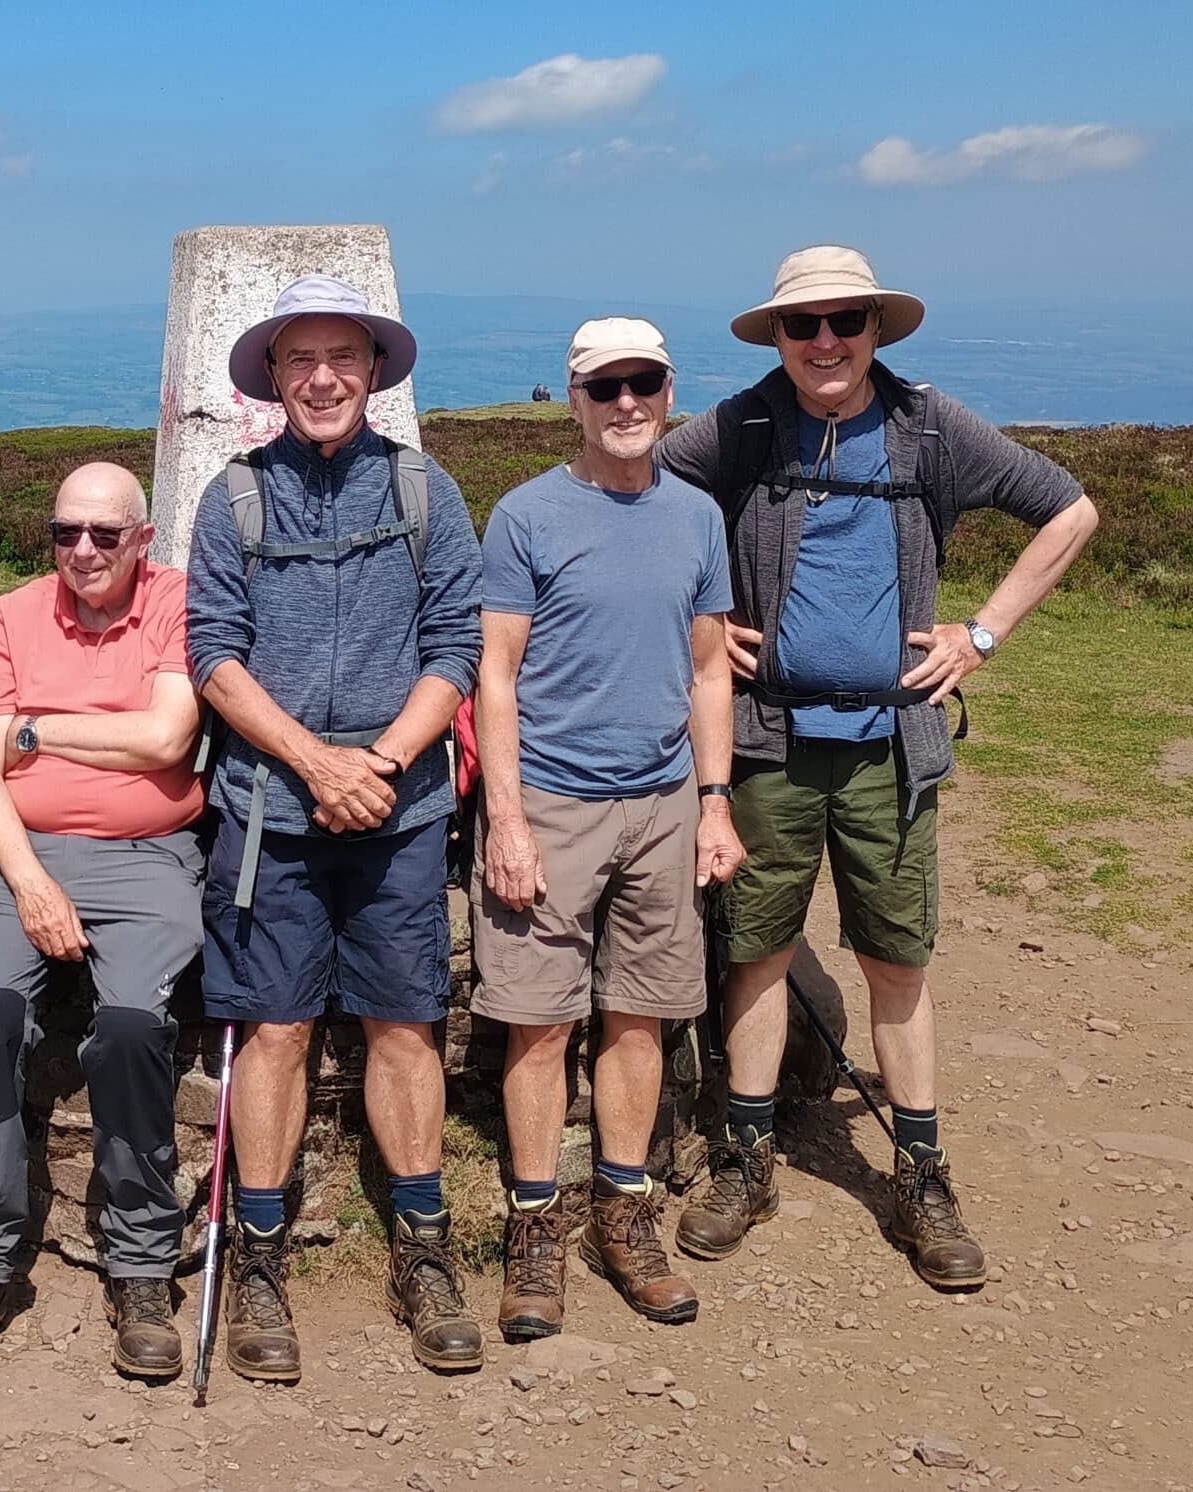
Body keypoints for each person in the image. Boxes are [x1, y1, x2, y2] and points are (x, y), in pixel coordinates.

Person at [656, 247, 1098, 1287]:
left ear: (873, 330)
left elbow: (1069, 510)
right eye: (802, 323)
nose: (823, 341)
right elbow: (637, 494)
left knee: (895, 960)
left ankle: (918, 1171)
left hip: (890, 749)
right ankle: (746, 1157)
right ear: (775, 333)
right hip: (764, 740)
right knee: (757, 951)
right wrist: (700, 627)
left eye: (843, 320)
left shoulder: (929, 428)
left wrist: (978, 636)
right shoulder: (738, 426)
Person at [187, 275, 485, 1381]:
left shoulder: (425, 493)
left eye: (342, 358)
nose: (320, 378)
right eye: (298, 360)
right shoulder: (234, 500)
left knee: (404, 1019)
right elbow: (210, 652)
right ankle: (258, 1257)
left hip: (397, 806)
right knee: (272, 1027)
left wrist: (380, 762)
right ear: (271, 378)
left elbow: (452, 644)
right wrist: (316, 764)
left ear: (373, 372)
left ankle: (421, 1244)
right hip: (270, 811)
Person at [472, 319, 741, 1337]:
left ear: (668, 390)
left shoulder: (696, 517)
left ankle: (623, 1215)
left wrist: (712, 802)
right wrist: (506, 819)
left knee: (641, 1012)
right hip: (550, 799)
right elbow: (494, 673)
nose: (624, 403)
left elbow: (709, 667)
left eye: (641, 384)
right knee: (538, 1022)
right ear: (574, 399)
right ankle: (533, 1225)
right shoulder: (526, 515)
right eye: (602, 387)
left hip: (664, 801)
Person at [0, 462, 206, 1380]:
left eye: (105, 535)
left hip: (150, 854)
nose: (82, 551)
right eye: (65, 532)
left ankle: (142, 1264)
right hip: (22, 848)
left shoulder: (176, 601)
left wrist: (39, 726)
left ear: (143, 541)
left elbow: (167, 740)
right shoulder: (14, 615)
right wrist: (31, 881)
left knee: (129, 1027)